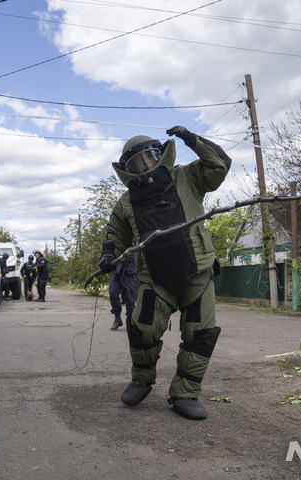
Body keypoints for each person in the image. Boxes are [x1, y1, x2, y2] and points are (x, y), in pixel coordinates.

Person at [98, 126, 231, 420]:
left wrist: (191, 138)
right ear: (127, 169)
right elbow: (115, 233)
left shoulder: (188, 176)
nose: (145, 165)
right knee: (141, 329)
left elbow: (219, 166)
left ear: (161, 154)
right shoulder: (126, 202)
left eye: (150, 156)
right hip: (155, 279)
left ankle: (185, 393)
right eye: (137, 162)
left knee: (201, 334)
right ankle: (141, 379)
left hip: (198, 273)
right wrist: (108, 255)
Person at [108, 253, 139, 330]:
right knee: (113, 292)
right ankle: (117, 318)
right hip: (115, 268)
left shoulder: (134, 240)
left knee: (130, 297)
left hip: (129, 269)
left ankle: (130, 321)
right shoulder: (112, 240)